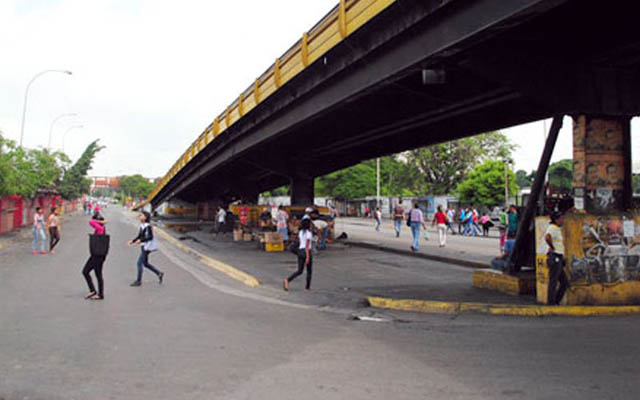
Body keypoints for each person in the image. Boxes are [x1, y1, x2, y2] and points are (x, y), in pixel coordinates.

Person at [128, 211, 164, 287]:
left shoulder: (148, 226)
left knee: (139, 263)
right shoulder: (142, 225)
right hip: (144, 246)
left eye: (141, 215)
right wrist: (133, 241)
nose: (140, 216)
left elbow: (150, 237)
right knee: (145, 263)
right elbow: (140, 235)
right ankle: (159, 273)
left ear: (145, 217)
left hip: (147, 247)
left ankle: (138, 281)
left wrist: (141, 240)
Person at [82, 210, 108, 300]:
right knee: (97, 274)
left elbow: (91, 222)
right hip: (100, 255)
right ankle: (96, 292)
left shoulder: (100, 229)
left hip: (97, 255)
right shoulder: (101, 230)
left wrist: (100, 221)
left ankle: (97, 293)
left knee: (86, 271)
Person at [283, 217, 313, 291]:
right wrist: (308, 257)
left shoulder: (301, 232)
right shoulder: (309, 234)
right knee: (309, 271)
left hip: (300, 252)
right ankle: (307, 287)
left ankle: (287, 280)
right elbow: (307, 246)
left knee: (300, 271)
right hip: (306, 252)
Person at [545, 211, 568, 305]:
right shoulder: (552, 228)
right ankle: (551, 302)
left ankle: (556, 300)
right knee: (553, 280)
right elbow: (547, 237)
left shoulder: (558, 229)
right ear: (556, 219)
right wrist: (552, 247)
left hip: (559, 256)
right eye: (561, 219)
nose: (563, 220)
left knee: (564, 282)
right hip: (555, 256)